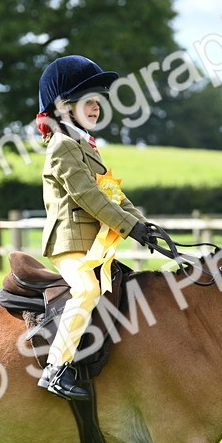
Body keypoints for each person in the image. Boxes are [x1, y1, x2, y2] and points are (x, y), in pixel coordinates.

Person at [33, 55, 155, 400]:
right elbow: (88, 197)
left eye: (97, 100)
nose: (96, 106)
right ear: (64, 107)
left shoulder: (86, 147)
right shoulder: (62, 146)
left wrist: (147, 227)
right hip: (70, 242)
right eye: (88, 100)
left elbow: (112, 195)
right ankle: (56, 368)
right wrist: (131, 229)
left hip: (92, 244)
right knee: (86, 289)